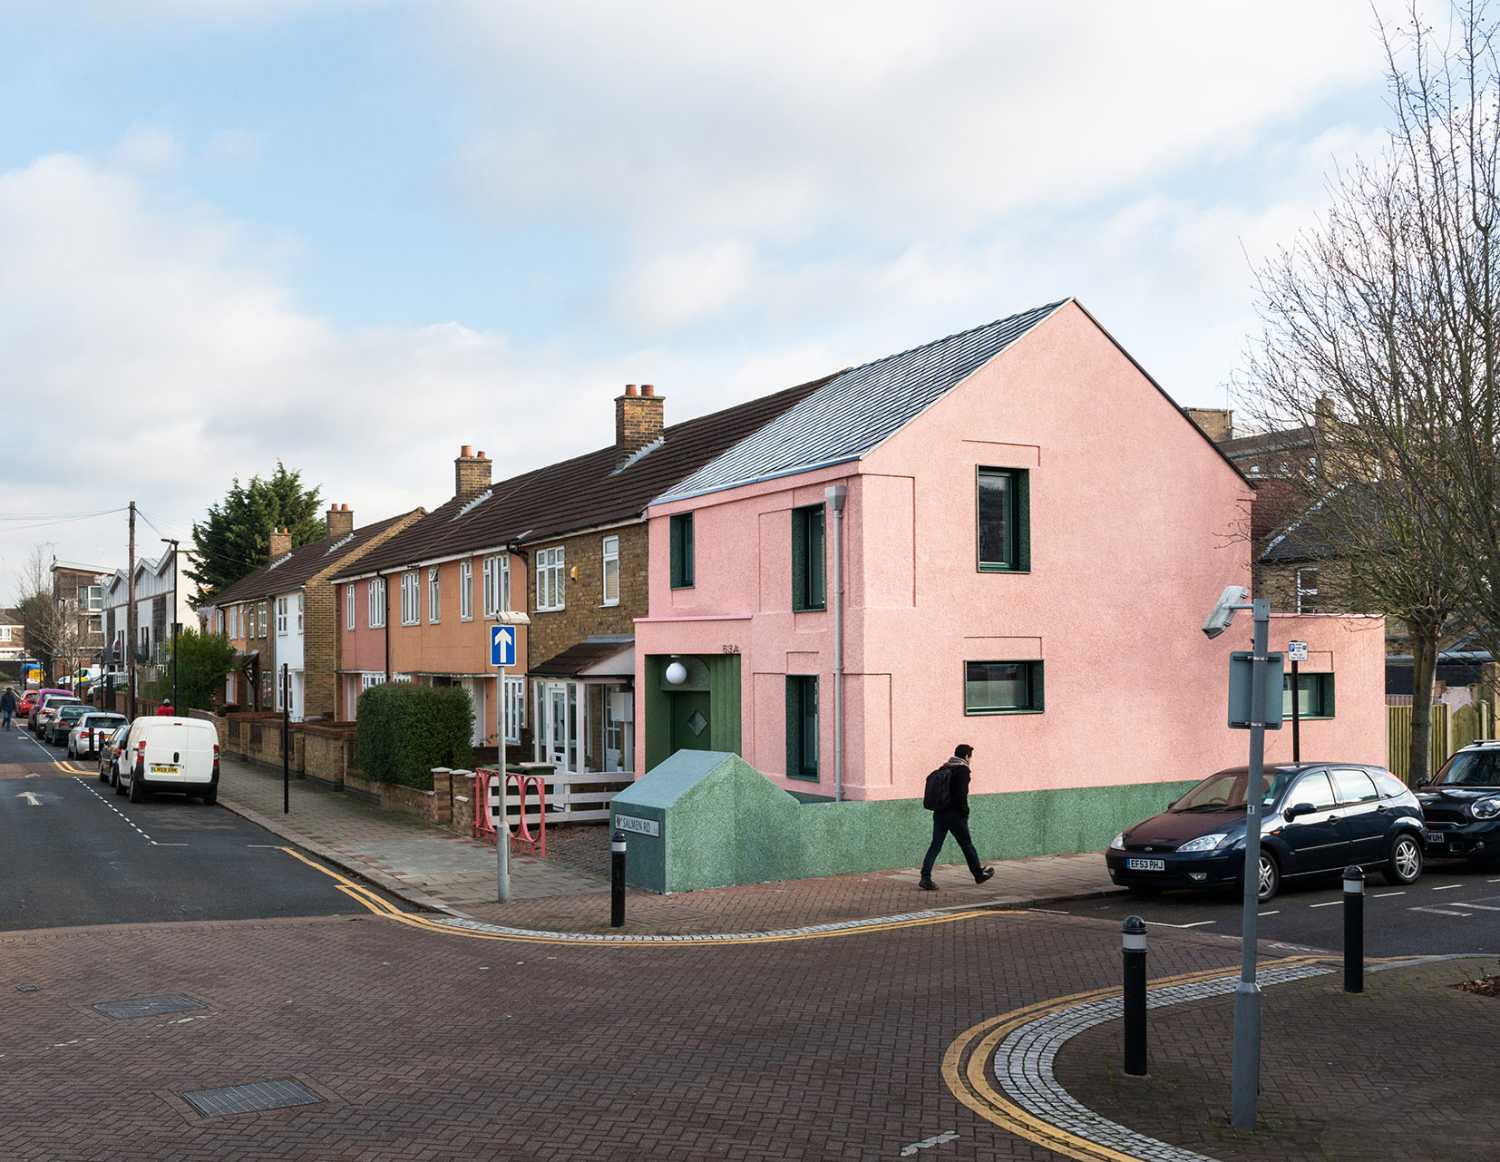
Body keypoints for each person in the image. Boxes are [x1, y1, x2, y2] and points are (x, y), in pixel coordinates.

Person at [918, 743, 994, 890]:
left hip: (940, 813)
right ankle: (978, 874)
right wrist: (965, 812)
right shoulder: (962, 770)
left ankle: (925, 877)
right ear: (966, 756)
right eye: (970, 757)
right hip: (955, 815)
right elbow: (961, 795)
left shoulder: (945, 767)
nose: (970, 760)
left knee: (935, 845)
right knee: (966, 845)